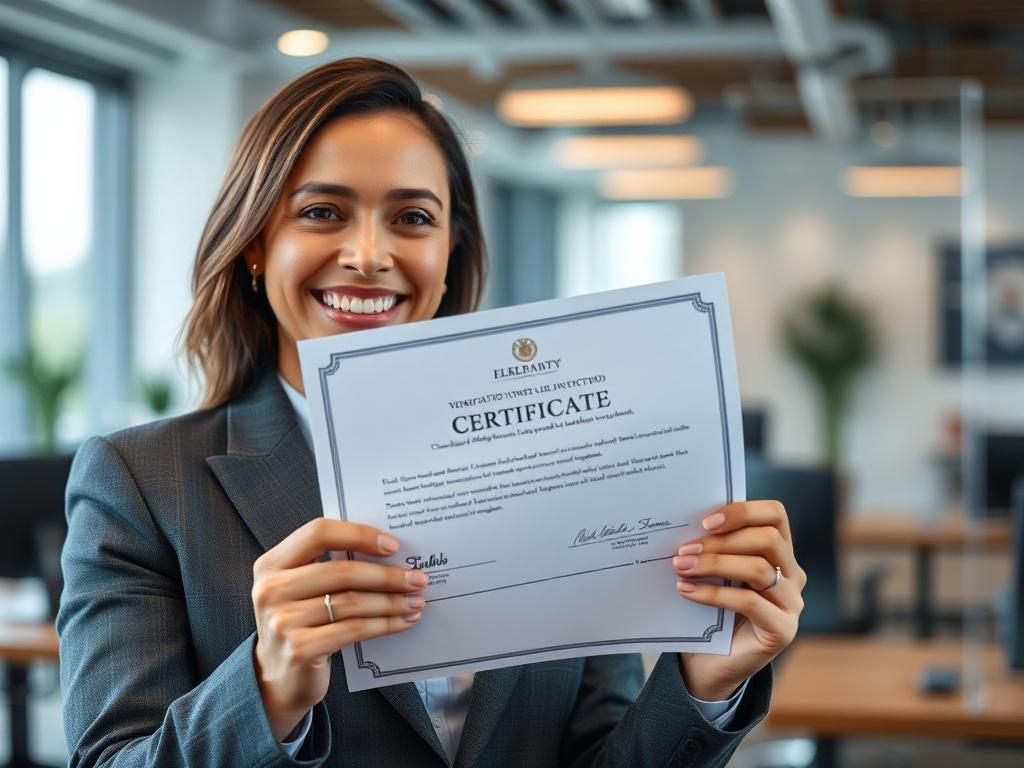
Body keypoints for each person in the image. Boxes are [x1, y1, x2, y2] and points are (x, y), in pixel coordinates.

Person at [58, 58, 805, 767]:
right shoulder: (141, 484)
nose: (368, 255)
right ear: (256, 244)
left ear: (451, 254)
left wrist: (703, 685)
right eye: (322, 211)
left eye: (412, 218)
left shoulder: (570, 463)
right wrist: (266, 686)